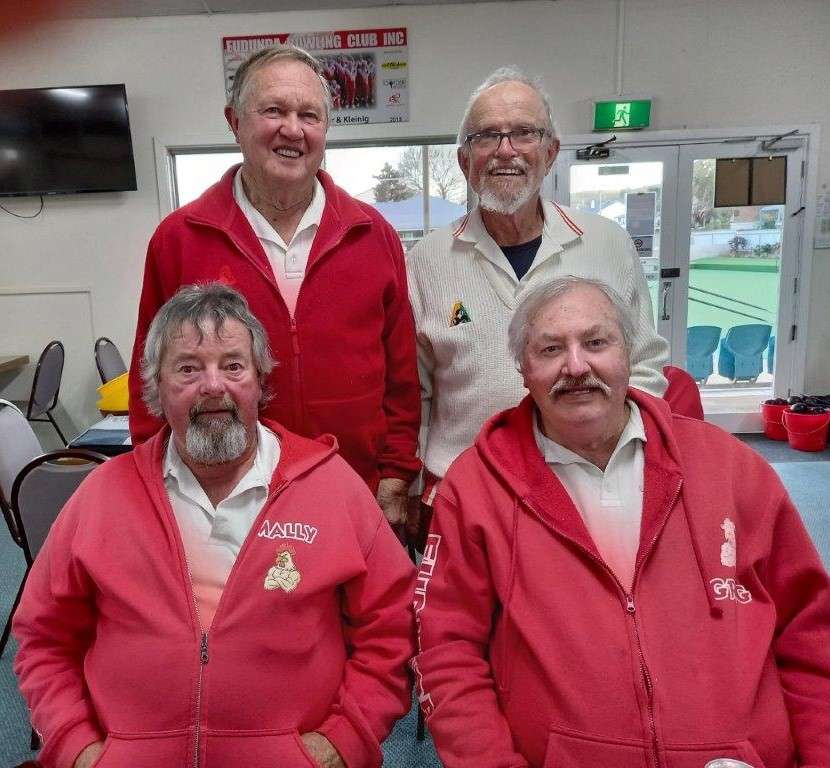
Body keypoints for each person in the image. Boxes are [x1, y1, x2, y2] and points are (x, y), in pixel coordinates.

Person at [412, 276, 830, 768]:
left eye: (595, 342)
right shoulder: (476, 489)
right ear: (523, 369)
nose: (576, 366)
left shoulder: (731, 467)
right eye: (550, 348)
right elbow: (446, 652)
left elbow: (811, 634)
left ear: (629, 353)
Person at [15, 284, 416, 768]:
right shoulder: (102, 496)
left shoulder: (332, 488)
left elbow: (392, 628)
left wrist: (344, 741)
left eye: (233, 365)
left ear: (259, 382)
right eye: (188, 368)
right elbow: (43, 637)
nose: (213, 385)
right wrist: (77, 747)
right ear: (156, 390)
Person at [128, 45, 420, 529]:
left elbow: (403, 379)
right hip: (223, 503)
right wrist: (156, 485)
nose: (293, 129)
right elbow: (150, 379)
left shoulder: (374, 234)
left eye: (310, 114)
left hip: (355, 494)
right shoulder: (179, 239)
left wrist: (395, 478)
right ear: (235, 122)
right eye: (273, 111)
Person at [406, 66, 670, 526]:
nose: (505, 150)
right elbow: (416, 393)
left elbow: (644, 367)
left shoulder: (606, 243)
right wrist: (412, 489)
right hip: (462, 498)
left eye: (524, 133)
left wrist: (629, 468)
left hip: (588, 492)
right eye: (486, 136)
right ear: (463, 159)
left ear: (550, 152)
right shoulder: (427, 258)